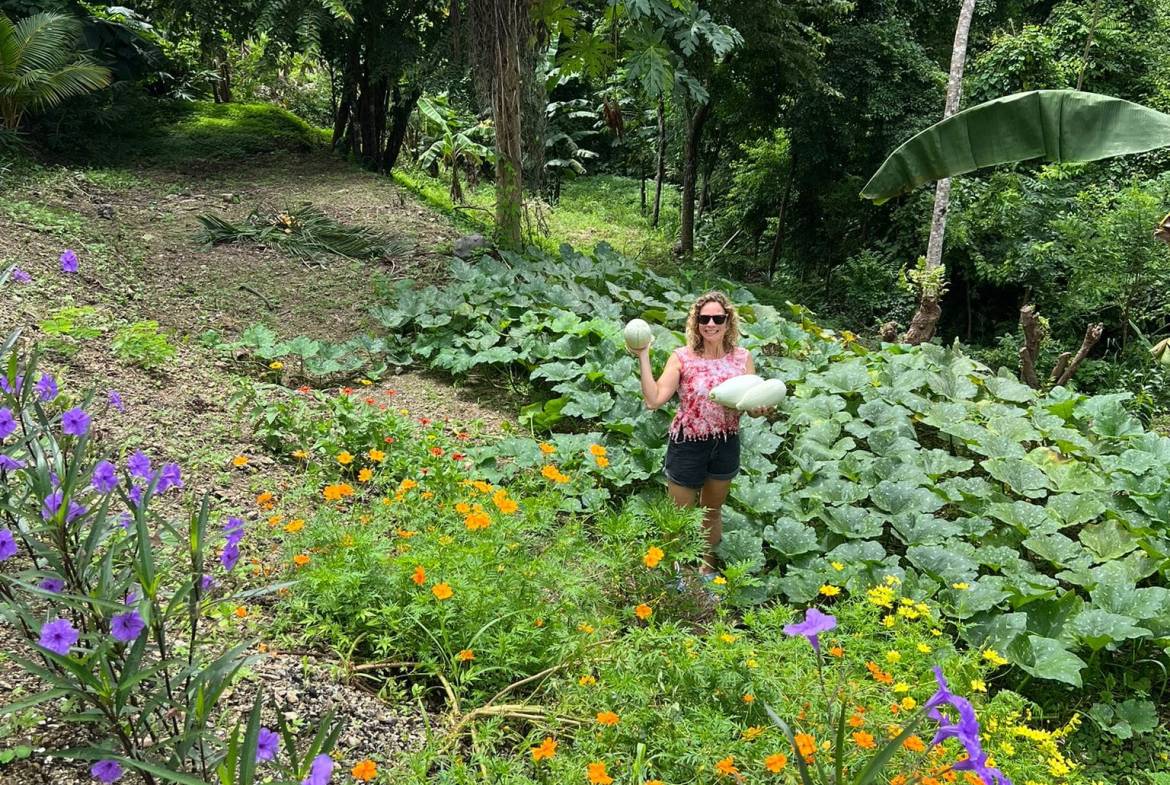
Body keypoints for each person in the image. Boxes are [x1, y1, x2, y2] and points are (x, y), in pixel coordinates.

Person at [633, 291, 767, 579]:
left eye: (717, 318)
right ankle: (676, 573)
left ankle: (707, 569)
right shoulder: (681, 357)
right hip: (688, 444)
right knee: (678, 517)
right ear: (696, 323)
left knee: (712, 511)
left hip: (726, 442)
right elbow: (654, 400)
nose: (710, 324)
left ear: (728, 321)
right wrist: (643, 356)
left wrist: (759, 409)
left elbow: (749, 405)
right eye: (704, 318)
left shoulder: (743, 358)